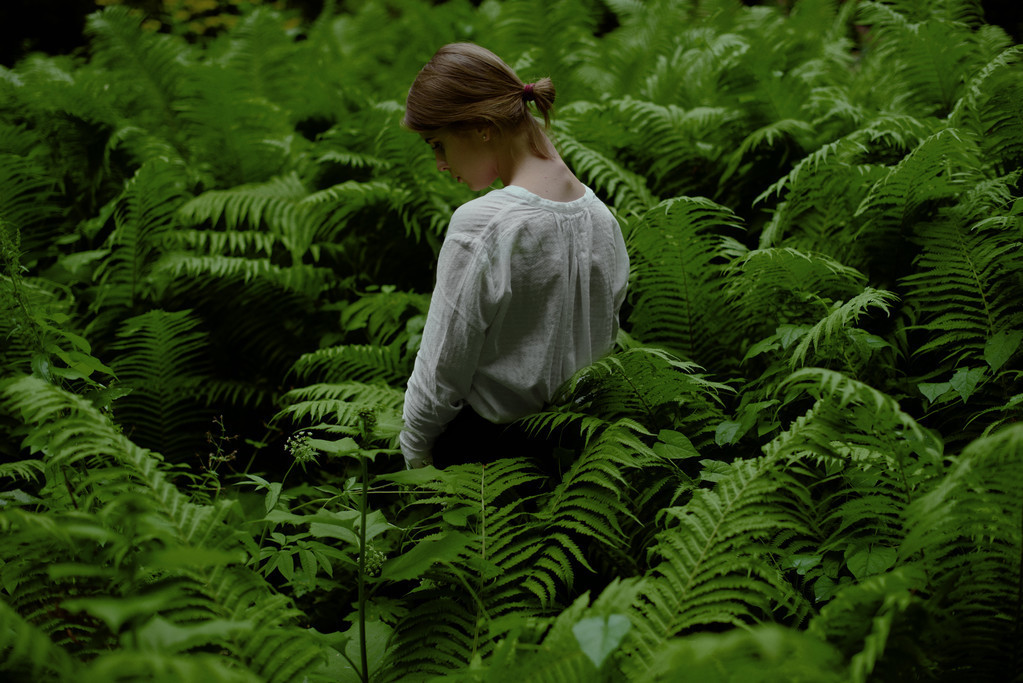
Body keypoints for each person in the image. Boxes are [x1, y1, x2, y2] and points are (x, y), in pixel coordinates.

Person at [398, 42, 630, 470]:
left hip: (483, 460)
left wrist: (414, 451)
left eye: (438, 144)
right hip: (583, 460)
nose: (439, 164)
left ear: (482, 127)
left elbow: (442, 366)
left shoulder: (484, 224)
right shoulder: (602, 219)